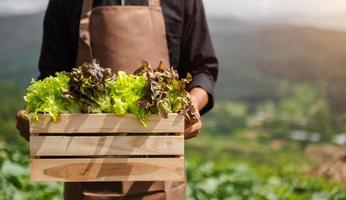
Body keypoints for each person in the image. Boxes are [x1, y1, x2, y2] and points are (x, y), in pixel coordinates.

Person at [16, 0, 218, 199]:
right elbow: (52, 75)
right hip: (83, 177)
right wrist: (36, 111)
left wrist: (192, 104)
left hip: (161, 182)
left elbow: (203, 70)